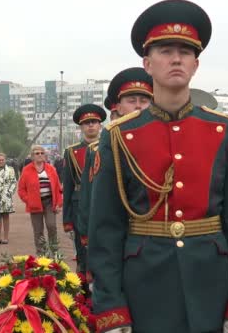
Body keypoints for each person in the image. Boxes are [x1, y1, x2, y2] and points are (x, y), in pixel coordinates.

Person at [88, 0, 228, 333]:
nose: (176, 59)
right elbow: (105, 230)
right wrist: (111, 306)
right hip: (143, 285)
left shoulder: (225, 131)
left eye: (185, 51)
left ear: (196, 64)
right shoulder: (120, 135)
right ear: (147, 63)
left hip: (212, 284)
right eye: (166, 50)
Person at [79, 68, 153, 253]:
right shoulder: (102, 148)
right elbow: (92, 200)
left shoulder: (166, 143)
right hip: (120, 237)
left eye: (144, 101)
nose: (138, 106)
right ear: (118, 107)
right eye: (131, 101)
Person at [62, 104, 107, 275]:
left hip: (104, 202)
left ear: (100, 125)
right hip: (79, 206)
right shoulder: (71, 152)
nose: (90, 125)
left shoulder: (108, 147)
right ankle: (84, 295)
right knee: (83, 254)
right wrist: (67, 221)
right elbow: (68, 187)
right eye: (86, 122)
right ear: (81, 127)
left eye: (94, 121)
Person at [18, 145, 62, 255]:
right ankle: (41, 254)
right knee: (38, 230)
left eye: (42, 153)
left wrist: (59, 203)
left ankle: (54, 252)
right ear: (32, 156)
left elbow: (57, 187)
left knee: (51, 226)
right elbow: (21, 189)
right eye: (37, 153)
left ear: (45, 155)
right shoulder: (26, 170)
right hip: (35, 205)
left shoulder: (51, 169)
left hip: (49, 202)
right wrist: (28, 200)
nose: (40, 155)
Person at [0, 153, 17, 245]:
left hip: (6, 196)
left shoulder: (10, 170)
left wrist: (9, 192)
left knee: (6, 217)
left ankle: (5, 238)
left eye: (3, 160)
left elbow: (13, 182)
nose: (1, 161)